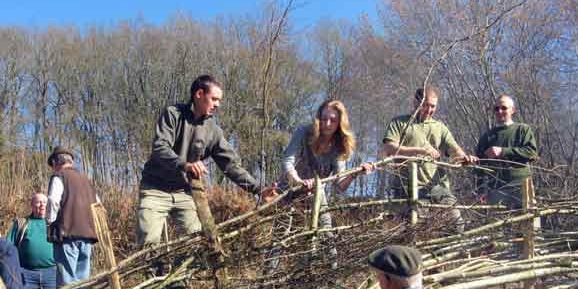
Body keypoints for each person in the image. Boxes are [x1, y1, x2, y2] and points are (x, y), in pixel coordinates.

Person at [137, 74, 275, 249]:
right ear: (199, 94)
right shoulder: (173, 114)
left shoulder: (213, 131)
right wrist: (185, 165)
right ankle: (153, 275)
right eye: (214, 99)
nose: (217, 104)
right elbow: (160, 147)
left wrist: (258, 189)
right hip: (155, 188)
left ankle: (183, 276)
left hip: (184, 192)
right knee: (148, 244)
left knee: (194, 243)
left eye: (219, 100)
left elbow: (231, 165)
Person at [275, 98, 375, 250]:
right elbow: (288, 161)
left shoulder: (340, 147)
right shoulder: (304, 132)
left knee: (326, 231)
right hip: (289, 188)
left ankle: (332, 267)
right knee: (280, 236)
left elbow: (339, 186)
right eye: (324, 119)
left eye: (333, 120)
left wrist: (355, 174)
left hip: (316, 192)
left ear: (340, 122)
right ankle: (270, 268)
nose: (327, 124)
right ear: (318, 118)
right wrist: (298, 181)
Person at [382, 87, 477, 233]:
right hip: (407, 189)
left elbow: (455, 151)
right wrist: (419, 151)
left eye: (433, 106)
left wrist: (465, 159)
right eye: (426, 105)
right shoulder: (400, 123)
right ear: (415, 101)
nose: (429, 109)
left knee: (456, 222)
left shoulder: (439, 127)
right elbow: (389, 148)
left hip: (437, 187)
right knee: (418, 230)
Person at [46, 147, 98, 289]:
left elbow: (53, 201)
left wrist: (49, 221)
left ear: (55, 162)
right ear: (71, 161)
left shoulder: (59, 176)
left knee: (67, 277)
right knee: (82, 278)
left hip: (67, 234)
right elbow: (98, 205)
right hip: (87, 235)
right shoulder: (86, 180)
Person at [475, 94, 539, 209]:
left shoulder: (522, 129)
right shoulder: (487, 137)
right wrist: (481, 190)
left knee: (527, 223)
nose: (499, 111)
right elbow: (480, 166)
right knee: (497, 224)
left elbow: (532, 153)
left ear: (513, 110)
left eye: (504, 108)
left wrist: (503, 151)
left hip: (521, 186)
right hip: (496, 189)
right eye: (496, 108)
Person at [7, 193, 56, 289]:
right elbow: (8, 248)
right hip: (26, 273)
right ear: (32, 205)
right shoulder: (22, 223)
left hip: (51, 273)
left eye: (45, 202)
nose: (42, 205)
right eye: (38, 202)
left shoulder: (54, 224)